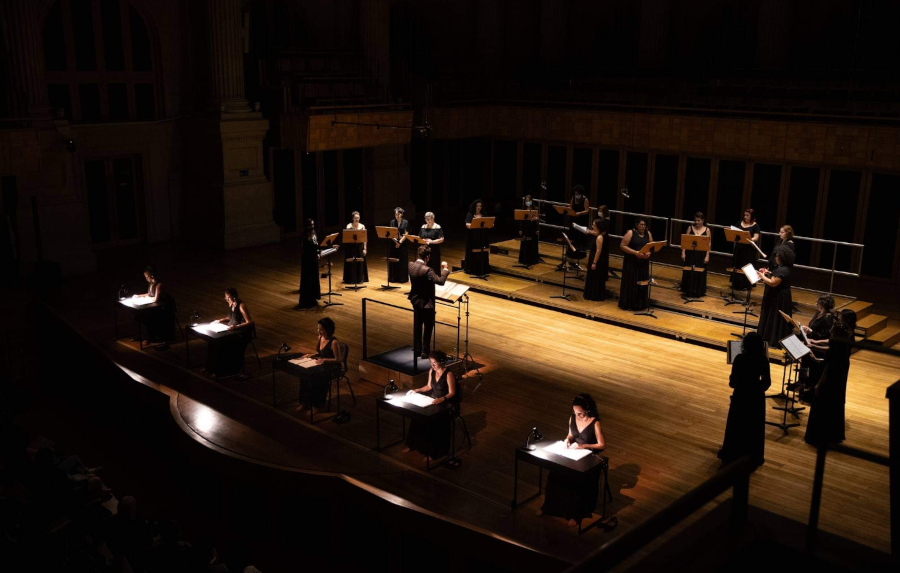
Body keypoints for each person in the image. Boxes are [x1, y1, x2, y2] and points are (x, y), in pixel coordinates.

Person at [539, 394, 606, 527]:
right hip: (574, 454)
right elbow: (570, 434)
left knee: (575, 477)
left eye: (580, 413)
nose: (578, 415)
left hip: (588, 458)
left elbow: (602, 445)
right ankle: (549, 507)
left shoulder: (595, 423)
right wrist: (568, 440)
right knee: (555, 472)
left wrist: (584, 445)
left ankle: (575, 514)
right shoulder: (573, 418)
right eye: (575, 412)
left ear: (587, 409)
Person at [718, 332, 771, 465]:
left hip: (741, 394)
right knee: (754, 426)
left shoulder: (740, 359)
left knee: (737, 423)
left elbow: (732, 382)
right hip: (756, 397)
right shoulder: (763, 360)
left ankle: (733, 452)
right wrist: (758, 390)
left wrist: (740, 385)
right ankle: (753, 455)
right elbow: (767, 382)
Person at [804, 310, 856, 446]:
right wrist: (816, 347)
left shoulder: (840, 340)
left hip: (832, 374)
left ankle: (819, 436)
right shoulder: (847, 334)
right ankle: (833, 434)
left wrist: (818, 384)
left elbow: (829, 367)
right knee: (836, 400)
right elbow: (832, 351)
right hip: (841, 371)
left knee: (823, 402)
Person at [403, 350, 458, 460]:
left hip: (445, 404)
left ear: (441, 362)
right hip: (433, 401)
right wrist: (417, 390)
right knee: (417, 418)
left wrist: (441, 399)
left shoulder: (448, 374)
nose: (432, 365)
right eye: (430, 363)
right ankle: (412, 444)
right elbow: (429, 386)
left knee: (433, 423)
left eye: (434, 363)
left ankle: (432, 452)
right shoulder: (431, 371)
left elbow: (452, 393)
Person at [407, 245, 450, 359]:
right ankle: (425, 351)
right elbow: (440, 281)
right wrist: (445, 270)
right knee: (428, 327)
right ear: (428, 257)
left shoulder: (410, 265)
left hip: (415, 301)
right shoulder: (427, 270)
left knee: (417, 326)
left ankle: (417, 349)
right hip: (427, 303)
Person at [206, 288, 254, 378]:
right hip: (232, 330)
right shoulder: (231, 303)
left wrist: (236, 327)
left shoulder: (241, 305)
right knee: (212, 343)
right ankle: (210, 368)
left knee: (222, 345)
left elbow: (249, 322)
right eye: (226, 297)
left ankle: (222, 371)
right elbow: (230, 317)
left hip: (241, 333)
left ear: (235, 297)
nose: (227, 299)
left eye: (229, 297)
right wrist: (220, 320)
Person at [299, 317, 343, 413]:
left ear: (328, 329)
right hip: (321, 364)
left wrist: (324, 359)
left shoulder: (334, 342)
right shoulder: (320, 337)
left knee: (317, 379)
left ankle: (317, 405)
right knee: (304, 376)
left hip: (332, 366)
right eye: (318, 329)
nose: (319, 331)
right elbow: (320, 353)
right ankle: (305, 403)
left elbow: (338, 359)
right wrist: (311, 355)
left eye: (321, 329)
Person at [755, 246, 795, 347]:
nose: (775, 258)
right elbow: (776, 277)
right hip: (782, 296)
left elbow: (773, 283)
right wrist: (770, 273)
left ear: (782, 258)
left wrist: (762, 276)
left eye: (777, 256)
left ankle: (772, 339)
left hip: (778, 298)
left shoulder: (782, 270)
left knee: (774, 318)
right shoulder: (785, 268)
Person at [796, 295, 835, 391]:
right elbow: (812, 327)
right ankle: (802, 383)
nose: (816, 304)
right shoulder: (818, 313)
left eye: (818, 302)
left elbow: (825, 336)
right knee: (804, 362)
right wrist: (807, 329)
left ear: (823, 304)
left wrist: (811, 332)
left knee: (808, 364)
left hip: (817, 347)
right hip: (810, 342)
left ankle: (808, 385)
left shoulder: (828, 318)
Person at [134, 266, 175, 348]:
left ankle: (150, 338)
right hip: (153, 307)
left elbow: (156, 299)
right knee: (138, 315)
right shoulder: (151, 284)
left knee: (145, 317)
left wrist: (146, 298)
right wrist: (139, 296)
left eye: (147, 276)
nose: (146, 278)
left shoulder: (159, 285)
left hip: (162, 309)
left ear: (151, 275)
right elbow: (149, 294)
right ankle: (143, 336)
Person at [618, 217, 654, 310]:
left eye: (644, 225)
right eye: (641, 224)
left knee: (642, 282)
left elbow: (651, 246)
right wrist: (635, 252)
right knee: (632, 282)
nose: (643, 226)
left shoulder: (648, 233)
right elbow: (622, 246)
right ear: (636, 225)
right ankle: (629, 304)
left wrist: (648, 253)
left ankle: (640, 304)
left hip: (643, 262)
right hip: (632, 262)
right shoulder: (630, 233)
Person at [680, 212, 710, 298]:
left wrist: (707, 255)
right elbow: (685, 241)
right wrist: (683, 252)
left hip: (701, 254)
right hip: (690, 254)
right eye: (696, 220)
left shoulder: (707, 230)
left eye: (699, 220)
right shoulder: (690, 228)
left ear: (703, 221)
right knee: (689, 270)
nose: (697, 222)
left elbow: (709, 243)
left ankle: (698, 291)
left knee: (699, 271)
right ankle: (688, 290)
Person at [731, 208, 761, 290]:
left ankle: (747, 284)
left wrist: (748, 239)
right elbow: (733, 233)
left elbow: (756, 237)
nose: (745, 217)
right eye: (745, 215)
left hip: (748, 250)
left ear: (752, 216)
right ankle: (736, 284)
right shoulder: (739, 223)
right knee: (738, 265)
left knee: (747, 266)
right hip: (739, 248)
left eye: (747, 215)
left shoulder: (755, 225)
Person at [297, 219, 321, 309]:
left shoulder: (314, 233)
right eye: (311, 225)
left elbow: (316, 244)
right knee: (308, 279)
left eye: (313, 224)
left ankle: (314, 297)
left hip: (314, 259)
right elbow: (308, 248)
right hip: (307, 260)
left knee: (314, 277)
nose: (312, 227)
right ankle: (307, 300)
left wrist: (318, 252)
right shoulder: (304, 236)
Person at [582, 218, 608, 301]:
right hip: (593, 258)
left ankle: (595, 295)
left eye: (594, 225)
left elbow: (598, 251)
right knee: (593, 276)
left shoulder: (599, 237)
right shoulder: (597, 234)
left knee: (595, 277)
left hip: (596, 260)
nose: (592, 226)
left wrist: (594, 263)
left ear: (598, 227)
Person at [342, 211, 368, 285]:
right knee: (351, 263)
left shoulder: (362, 226)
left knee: (360, 262)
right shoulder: (349, 226)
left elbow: (364, 239)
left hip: (359, 247)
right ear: (353, 218)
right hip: (351, 247)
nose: (357, 219)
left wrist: (365, 248)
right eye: (355, 218)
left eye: (358, 218)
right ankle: (350, 279)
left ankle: (360, 278)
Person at [567, 185, 590, 267]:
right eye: (575, 193)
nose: (577, 195)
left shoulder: (585, 199)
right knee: (572, 238)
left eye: (578, 194)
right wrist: (571, 211)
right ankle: (571, 256)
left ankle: (579, 257)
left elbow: (587, 210)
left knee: (580, 238)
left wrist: (580, 213)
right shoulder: (573, 198)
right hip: (573, 220)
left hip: (581, 221)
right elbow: (570, 207)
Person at [464, 199, 490, 275]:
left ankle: (483, 269)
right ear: (474, 207)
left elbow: (488, 223)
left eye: (480, 206)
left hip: (482, 236)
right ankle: (472, 269)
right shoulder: (470, 214)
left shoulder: (484, 214)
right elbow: (467, 224)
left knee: (483, 251)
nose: (479, 207)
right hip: (473, 237)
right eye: (477, 206)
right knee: (473, 252)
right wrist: (474, 225)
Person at [518, 194, 540, 266]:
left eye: (529, 201)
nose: (528, 202)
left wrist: (537, 229)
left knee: (532, 243)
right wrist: (520, 229)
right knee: (525, 243)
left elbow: (537, 220)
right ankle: (524, 260)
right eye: (526, 201)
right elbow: (521, 220)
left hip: (532, 229)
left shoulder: (535, 209)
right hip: (525, 228)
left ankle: (532, 260)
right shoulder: (523, 209)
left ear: (531, 201)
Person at [388, 207, 410, 283]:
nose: (397, 216)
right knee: (394, 259)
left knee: (402, 260)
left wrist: (400, 242)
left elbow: (406, 234)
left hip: (402, 244)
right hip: (394, 243)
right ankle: (393, 278)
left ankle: (402, 278)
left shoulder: (405, 222)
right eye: (395, 214)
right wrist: (396, 242)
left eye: (398, 214)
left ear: (402, 214)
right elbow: (390, 234)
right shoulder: (392, 222)